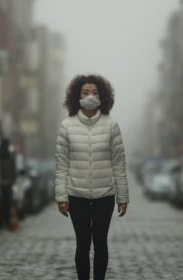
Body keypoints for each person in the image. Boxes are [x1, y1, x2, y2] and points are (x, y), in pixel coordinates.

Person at [55, 74, 129, 280]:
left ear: (102, 97)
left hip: (104, 195)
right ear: (77, 97)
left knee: (101, 243)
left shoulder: (111, 125)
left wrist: (122, 197)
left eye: (95, 92)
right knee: (82, 244)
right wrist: (61, 197)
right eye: (85, 92)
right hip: (76, 195)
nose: (90, 96)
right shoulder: (67, 126)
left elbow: (119, 164)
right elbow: (61, 165)